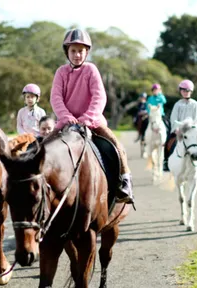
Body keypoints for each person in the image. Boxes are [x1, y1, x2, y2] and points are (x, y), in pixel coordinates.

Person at [50, 28, 134, 204]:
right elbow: (56, 98)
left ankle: (125, 180)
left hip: (92, 123)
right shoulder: (61, 72)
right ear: (67, 52)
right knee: (43, 147)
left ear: (86, 52)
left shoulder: (91, 70)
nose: (77, 55)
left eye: (81, 51)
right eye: (73, 50)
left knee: (115, 144)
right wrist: (66, 117)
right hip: (66, 123)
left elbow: (99, 97)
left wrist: (86, 119)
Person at [163, 79, 197, 172]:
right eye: (183, 90)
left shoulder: (195, 104)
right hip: (180, 130)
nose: (185, 92)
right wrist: (176, 128)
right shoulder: (177, 104)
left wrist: (194, 128)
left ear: (191, 91)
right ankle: (165, 161)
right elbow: (174, 118)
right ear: (180, 91)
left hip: (192, 130)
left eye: (187, 91)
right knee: (169, 142)